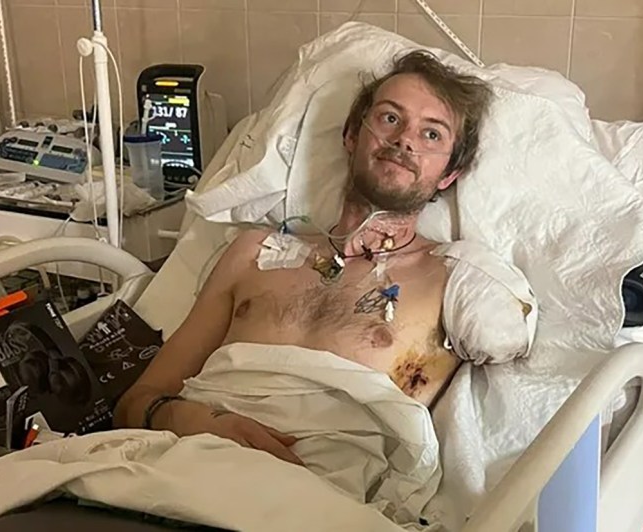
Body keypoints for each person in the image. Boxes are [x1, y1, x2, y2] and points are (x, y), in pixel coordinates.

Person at [114, 50, 493, 467]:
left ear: (449, 175)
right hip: (178, 462)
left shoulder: (452, 283)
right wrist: (187, 416)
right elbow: (134, 405)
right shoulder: (252, 253)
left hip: (316, 495)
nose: (405, 139)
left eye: (432, 135)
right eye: (389, 117)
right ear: (352, 135)